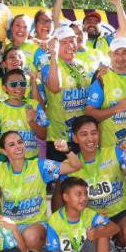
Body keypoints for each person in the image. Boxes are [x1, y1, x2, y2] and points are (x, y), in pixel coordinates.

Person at [0, 131, 81, 252]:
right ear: (4, 151)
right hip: (10, 225)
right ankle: (21, 251)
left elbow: (75, 166)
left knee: (31, 236)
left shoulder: (40, 166)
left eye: (20, 142)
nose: (18, 147)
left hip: (35, 224)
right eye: (12, 145)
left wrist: (67, 150)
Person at [60, 115, 126, 252]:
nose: (90, 138)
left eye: (94, 133)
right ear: (75, 138)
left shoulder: (115, 153)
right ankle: (105, 238)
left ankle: (118, 245)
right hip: (91, 217)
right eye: (84, 134)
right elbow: (63, 202)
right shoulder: (69, 165)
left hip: (120, 211)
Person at [46, 176, 120, 252]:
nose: (84, 198)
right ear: (66, 197)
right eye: (78, 194)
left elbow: (115, 228)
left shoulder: (89, 213)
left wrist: (97, 233)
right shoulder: (54, 220)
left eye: (85, 193)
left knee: (102, 229)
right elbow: (53, 250)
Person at [42, 26, 93, 161]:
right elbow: (55, 87)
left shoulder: (83, 65)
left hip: (83, 136)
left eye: (72, 41)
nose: (70, 46)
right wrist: (53, 55)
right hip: (58, 137)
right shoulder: (48, 66)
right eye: (64, 42)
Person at [0, 68, 48, 170]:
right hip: (7, 161)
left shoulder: (35, 105)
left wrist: (31, 121)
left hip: (31, 161)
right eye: (13, 84)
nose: (19, 87)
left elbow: (43, 135)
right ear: (4, 88)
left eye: (22, 84)